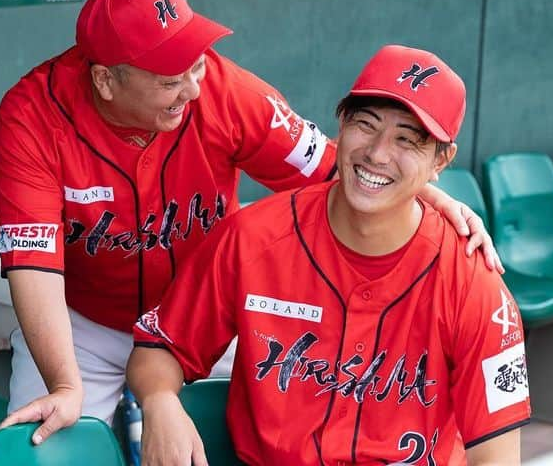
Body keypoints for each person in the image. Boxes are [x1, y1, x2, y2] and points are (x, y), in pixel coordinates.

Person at [0, 0, 501, 444]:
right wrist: (63, 384)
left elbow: (335, 166)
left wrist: (425, 190)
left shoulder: (222, 88)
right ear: (106, 80)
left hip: (206, 318)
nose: (192, 88)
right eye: (171, 79)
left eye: (195, 62)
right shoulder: (31, 117)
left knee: (283, 433)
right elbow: (33, 264)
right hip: (86, 324)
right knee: (45, 443)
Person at [128, 44, 529, 466]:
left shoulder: (473, 284)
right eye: (366, 125)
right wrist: (159, 401)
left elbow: (496, 456)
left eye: (406, 140)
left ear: (441, 160)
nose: (377, 153)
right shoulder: (253, 238)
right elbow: (163, 346)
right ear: (341, 124)